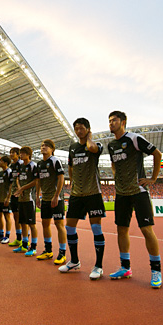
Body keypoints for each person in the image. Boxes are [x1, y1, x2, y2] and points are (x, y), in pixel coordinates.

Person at [107, 111, 163, 288]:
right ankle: (125, 267)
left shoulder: (134, 139)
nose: (111, 123)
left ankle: (156, 270)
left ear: (123, 122)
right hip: (121, 194)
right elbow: (114, 164)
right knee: (121, 230)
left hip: (138, 191)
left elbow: (157, 154)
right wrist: (116, 177)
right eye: (109, 121)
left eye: (114, 120)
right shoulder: (111, 145)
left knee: (147, 230)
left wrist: (153, 179)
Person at [58, 118, 106, 280]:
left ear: (88, 129)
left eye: (82, 128)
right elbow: (71, 167)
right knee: (69, 227)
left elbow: (92, 148)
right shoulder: (72, 148)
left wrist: (90, 137)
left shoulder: (96, 145)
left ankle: (98, 266)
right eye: (76, 129)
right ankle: (75, 261)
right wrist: (73, 182)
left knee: (96, 229)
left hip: (93, 192)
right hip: (76, 194)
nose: (79, 131)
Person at [35, 139, 67, 265]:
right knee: (45, 224)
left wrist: (56, 196)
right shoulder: (39, 164)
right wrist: (37, 196)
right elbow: (38, 181)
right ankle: (48, 251)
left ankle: (62, 253)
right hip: (45, 199)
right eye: (42, 145)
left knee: (59, 225)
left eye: (46, 146)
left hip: (56, 199)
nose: (43, 147)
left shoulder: (55, 161)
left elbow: (61, 178)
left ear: (52, 149)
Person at [14, 146, 39, 256]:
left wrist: (23, 189)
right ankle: (24, 245)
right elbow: (18, 179)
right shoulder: (20, 166)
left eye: (23, 153)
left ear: (29, 155)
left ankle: (33, 247)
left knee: (31, 224)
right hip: (21, 198)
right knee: (22, 222)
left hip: (29, 198)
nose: (21, 155)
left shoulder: (33, 165)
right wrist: (19, 188)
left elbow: (36, 181)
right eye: (20, 153)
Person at [0, 155, 12, 244]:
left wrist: (8, 198)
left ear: (5, 163)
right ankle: (1, 235)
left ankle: (7, 236)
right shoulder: (0, 173)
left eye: (1, 161)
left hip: (5, 198)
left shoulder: (9, 172)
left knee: (7, 216)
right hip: (0, 198)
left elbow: (11, 186)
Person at [7, 147, 23, 247]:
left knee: (22, 217)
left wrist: (20, 189)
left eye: (13, 153)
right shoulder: (12, 166)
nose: (11, 154)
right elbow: (11, 181)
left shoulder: (21, 164)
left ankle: (25, 239)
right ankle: (18, 238)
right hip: (13, 193)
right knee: (16, 217)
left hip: (21, 194)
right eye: (10, 153)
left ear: (18, 154)